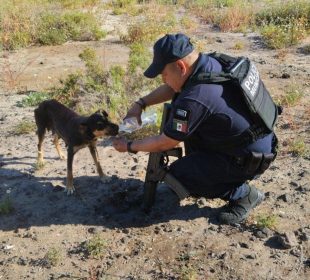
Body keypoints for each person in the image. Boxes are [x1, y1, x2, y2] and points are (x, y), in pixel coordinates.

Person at [112, 33, 278, 224]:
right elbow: (174, 87)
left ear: (181, 66)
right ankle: (214, 171)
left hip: (248, 158)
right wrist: (140, 103)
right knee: (187, 135)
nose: (163, 79)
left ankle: (244, 194)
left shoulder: (196, 97)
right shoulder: (211, 63)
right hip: (253, 140)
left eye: (163, 74)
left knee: (179, 177)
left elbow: (165, 142)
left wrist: (129, 146)